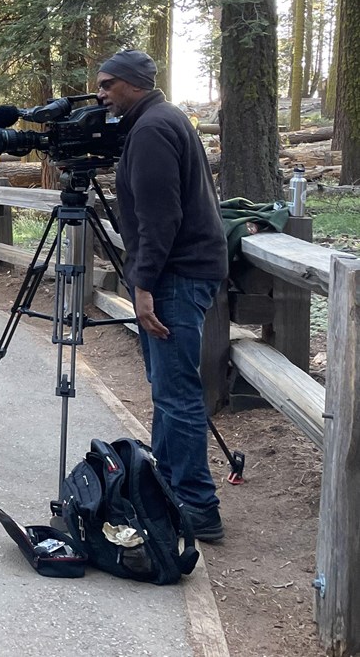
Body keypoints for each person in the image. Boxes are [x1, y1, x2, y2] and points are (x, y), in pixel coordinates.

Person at [96, 48, 229, 542]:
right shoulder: (163, 119)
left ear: (133, 83)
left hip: (175, 275)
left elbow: (160, 219)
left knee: (176, 395)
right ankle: (168, 488)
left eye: (108, 84)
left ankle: (197, 505)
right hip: (186, 270)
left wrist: (144, 283)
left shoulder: (152, 130)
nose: (101, 94)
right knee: (168, 391)